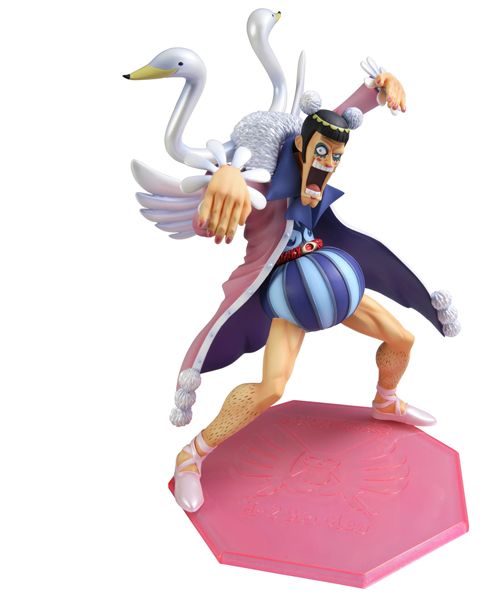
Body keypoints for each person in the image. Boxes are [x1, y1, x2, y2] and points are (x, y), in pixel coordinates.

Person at [172, 72, 459, 513]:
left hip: (331, 281)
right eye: (320, 153)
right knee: (271, 389)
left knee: (402, 339)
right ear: (300, 148)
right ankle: (191, 456)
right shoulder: (261, 188)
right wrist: (224, 178)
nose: (327, 162)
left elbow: (337, 118)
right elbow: (206, 221)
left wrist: (377, 90)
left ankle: (385, 402)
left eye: (336, 157)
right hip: (287, 297)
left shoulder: (319, 167)